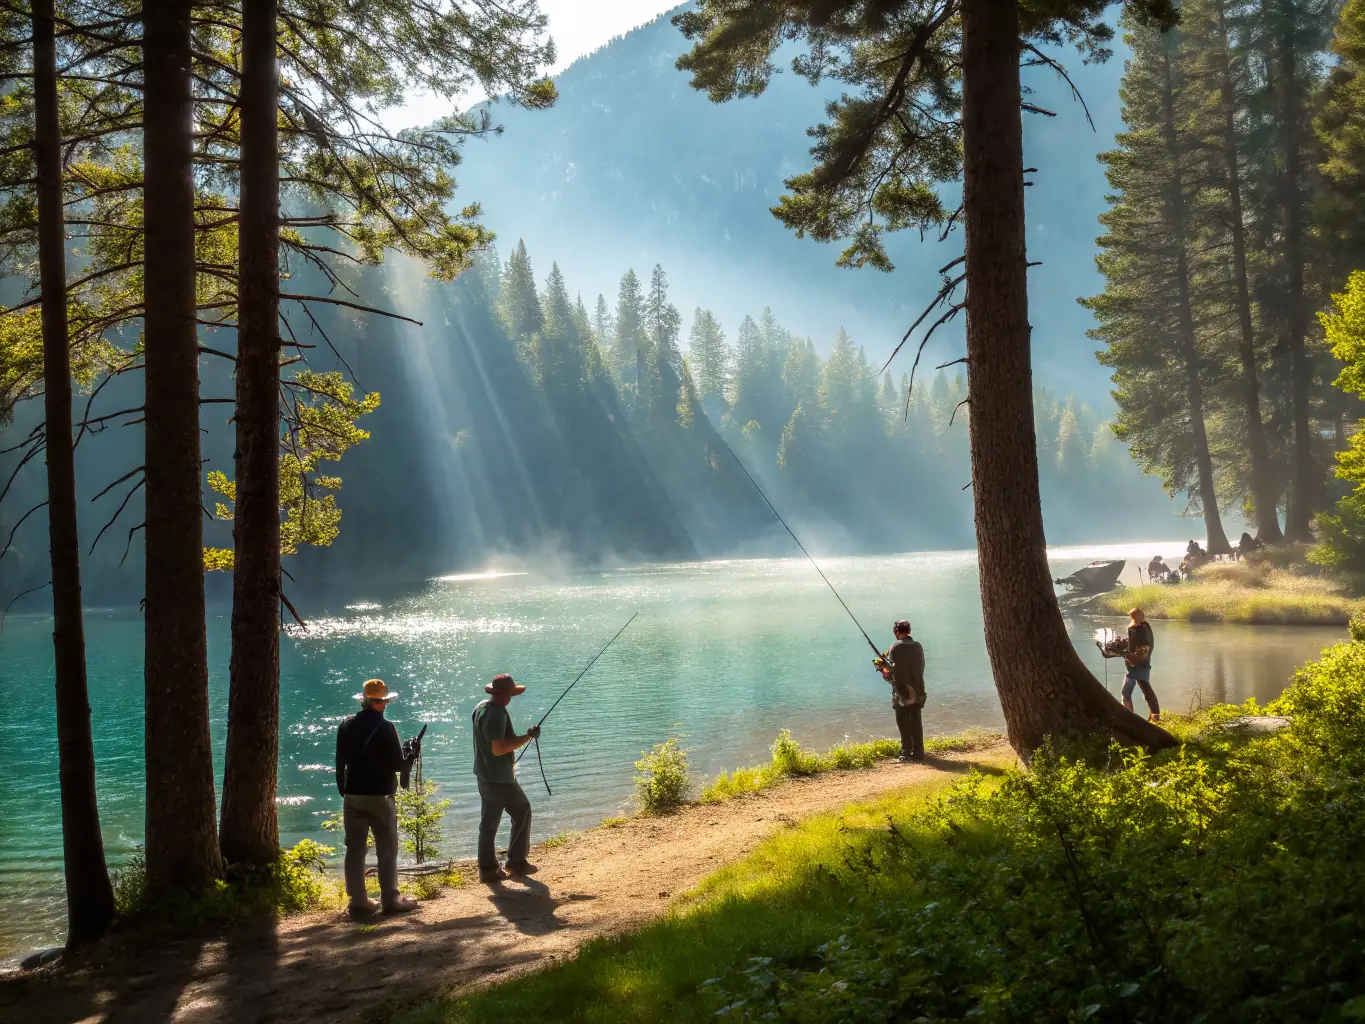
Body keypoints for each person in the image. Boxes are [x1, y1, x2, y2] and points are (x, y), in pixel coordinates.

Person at [335, 679, 421, 917]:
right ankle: (391, 899)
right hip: (380, 796)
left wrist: (344, 790)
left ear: (364, 700)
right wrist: (410, 757)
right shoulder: (386, 728)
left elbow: (339, 764)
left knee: (354, 849)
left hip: (352, 795)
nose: (385, 705)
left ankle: (358, 902)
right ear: (380, 703)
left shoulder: (345, 725)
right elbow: (397, 765)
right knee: (387, 848)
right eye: (384, 702)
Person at [472, 673, 541, 884]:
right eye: (510, 694)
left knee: (488, 824)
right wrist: (527, 737)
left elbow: (495, 741)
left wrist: (525, 735)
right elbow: (499, 748)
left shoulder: (481, 707)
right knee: (522, 811)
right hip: (500, 779)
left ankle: (488, 870)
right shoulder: (497, 714)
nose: (511, 697)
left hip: (483, 774)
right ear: (504, 694)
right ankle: (516, 863)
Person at [879, 619, 926, 762]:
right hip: (918, 690)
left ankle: (906, 752)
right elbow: (921, 667)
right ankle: (919, 753)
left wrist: (883, 671)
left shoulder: (893, 647)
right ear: (909, 631)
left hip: (901, 692)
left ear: (896, 631)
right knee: (916, 722)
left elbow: (889, 672)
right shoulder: (918, 646)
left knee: (903, 722)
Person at [1118, 608, 1159, 722]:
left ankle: (1128, 716)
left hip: (1137, 666)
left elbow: (1142, 651)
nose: (1131, 619)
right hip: (1143, 664)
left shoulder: (1138, 629)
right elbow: (1138, 645)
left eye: (1132, 617)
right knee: (1146, 689)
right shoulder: (1146, 626)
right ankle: (1155, 715)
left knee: (1126, 693)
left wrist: (1125, 654)